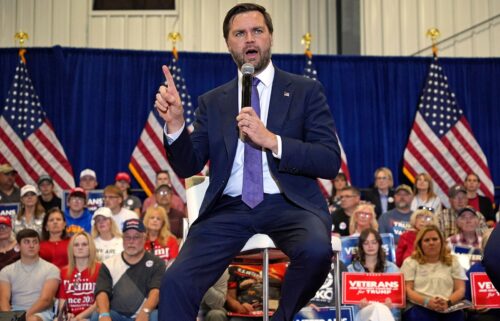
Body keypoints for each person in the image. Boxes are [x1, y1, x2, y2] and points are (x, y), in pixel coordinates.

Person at [155, 3, 341, 320]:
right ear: (229, 43)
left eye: (257, 31)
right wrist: (175, 127)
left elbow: (328, 160)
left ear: (270, 37)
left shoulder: (305, 91)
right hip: (229, 208)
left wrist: (272, 141)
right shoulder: (213, 102)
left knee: (316, 251)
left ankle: (281, 317)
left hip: (289, 204)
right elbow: (190, 166)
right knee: (175, 282)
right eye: (239, 33)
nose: (249, 39)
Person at [91, 219, 166, 321]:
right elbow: (102, 292)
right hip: (116, 315)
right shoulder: (109, 264)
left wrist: (145, 311)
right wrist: (104, 315)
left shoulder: (157, 263)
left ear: (144, 238)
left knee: (156, 316)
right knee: (96, 316)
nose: (131, 241)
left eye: (136, 237)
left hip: (144, 314)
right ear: (122, 239)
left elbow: (156, 291)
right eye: (127, 237)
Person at [401, 225, 466, 321]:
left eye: (435, 239)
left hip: (448, 305)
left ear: (442, 242)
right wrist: (427, 302)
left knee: (457, 317)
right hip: (419, 306)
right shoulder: (410, 262)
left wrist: (447, 302)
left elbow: (460, 289)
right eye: (427, 240)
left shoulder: (453, 261)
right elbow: (407, 290)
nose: (431, 243)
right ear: (420, 244)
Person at [0, 228, 60, 321]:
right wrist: (9, 317)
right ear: (18, 246)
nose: (31, 245)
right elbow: (3, 300)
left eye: (35, 242)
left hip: (41, 312)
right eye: (26, 242)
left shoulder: (51, 269)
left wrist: (23, 317)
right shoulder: (6, 271)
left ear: (39, 245)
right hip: (15, 311)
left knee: (32, 319)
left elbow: (46, 300)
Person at [347, 228, 400, 321]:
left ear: (379, 244)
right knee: (378, 308)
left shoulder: (393, 269)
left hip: (388, 313)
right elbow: (348, 304)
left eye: (374, 242)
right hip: (361, 314)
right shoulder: (351, 270)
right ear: (361, 246)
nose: (370, 246)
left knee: (380, 308)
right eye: (366, 243)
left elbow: (398, 301)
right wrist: (358, 305)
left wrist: (392, 305)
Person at [58, 232, 101, 321]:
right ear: (71, 249)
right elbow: (62, 299)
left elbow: (99, 302)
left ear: (91, 248)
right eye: (76, 245)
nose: (80, 247)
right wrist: (66, 314)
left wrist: (79, 317)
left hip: (92, 316)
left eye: (84, 244)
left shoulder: (100, 269)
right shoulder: (64, 271)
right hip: (71, 318)